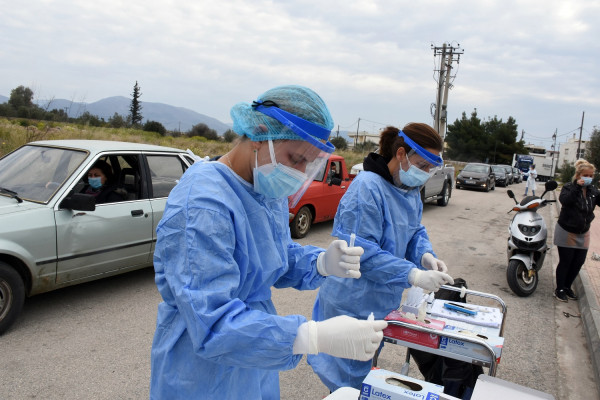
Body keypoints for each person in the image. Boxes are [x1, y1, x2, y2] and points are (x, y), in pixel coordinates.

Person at [149, 85, 387, 399]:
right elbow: (211, 321)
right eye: (297, 158)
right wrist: (310, 335)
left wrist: (319, 262)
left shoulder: (264, 186)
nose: (300, 172)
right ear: (261, 133)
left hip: (254, 355)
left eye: (309, 163)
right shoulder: (202, 204)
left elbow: (271, 254)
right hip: (201, 372)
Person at [308, 123, 454, 391]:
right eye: (421, 165)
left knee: (363, 367)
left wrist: (426, 257)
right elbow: (361, 253)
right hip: (350, 301)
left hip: (380, 301)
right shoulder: (367, 188)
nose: (425, 174)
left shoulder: (409, 191)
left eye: (429, 168)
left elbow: (413, 231)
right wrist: (414, 275)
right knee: (346, 382)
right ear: (401, 154)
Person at [554, 159, 599, 302]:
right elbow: (565, 201)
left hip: (583, 232)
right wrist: (577, 188)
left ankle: (567, 287)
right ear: (578, 175)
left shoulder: (593, 191)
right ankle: (560, 289)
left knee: (578, 262)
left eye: (591, 176)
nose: (589, 178)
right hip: (567, 230)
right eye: (586, 175)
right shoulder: (568, 187)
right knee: (566, 261)